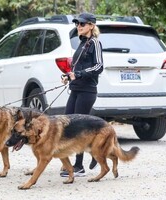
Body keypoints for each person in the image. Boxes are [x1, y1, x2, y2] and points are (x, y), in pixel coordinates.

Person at [60, 12, 103, 177]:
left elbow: (99, 66)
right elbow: (76, 68)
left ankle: (78, 167)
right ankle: (90, 154)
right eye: (77, 24)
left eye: (82, 24)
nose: (79, 27)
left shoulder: (95, 43)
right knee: (66, 124)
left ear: (91, 26)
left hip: (87, 91)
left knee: (78, 128)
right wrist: (68, 75)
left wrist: (79, 74)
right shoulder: (82, 43)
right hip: (76, 89)